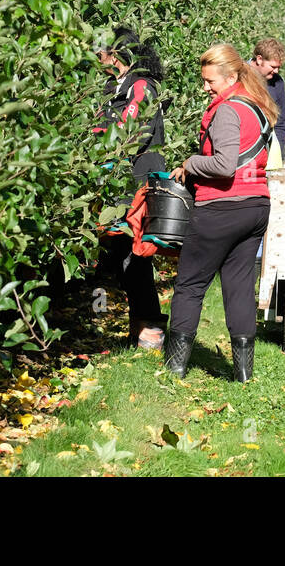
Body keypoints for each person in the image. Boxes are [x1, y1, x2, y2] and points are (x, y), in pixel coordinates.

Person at [164, 43, 277, 382]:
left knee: (190, 284)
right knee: (239, 287)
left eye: (210, 80)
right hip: (256, 206)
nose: (205, 87)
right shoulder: (258, 105)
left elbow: (224, 165)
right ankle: (243, 374)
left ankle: (175, 367)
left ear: (230, 77)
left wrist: (190, 162)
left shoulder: (228, 109)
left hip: (222, 206)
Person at [92, 28, 170, 350]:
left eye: (102, 52)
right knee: (117, 256)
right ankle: (135, 326)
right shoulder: (115, 88)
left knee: (134, 255)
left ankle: (151, 328)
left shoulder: (140, 87)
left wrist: (108, 158)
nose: (99, 58)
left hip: (135, 185)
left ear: (117, 54)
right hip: (117, 185)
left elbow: (131, 130)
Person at [250, 38, 285, 155]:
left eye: (278, 67)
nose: (276, 71)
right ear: (259, 59)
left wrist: (277, 153)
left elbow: (280, 123)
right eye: (272, 66)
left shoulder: (277, 83)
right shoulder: (238, 77)